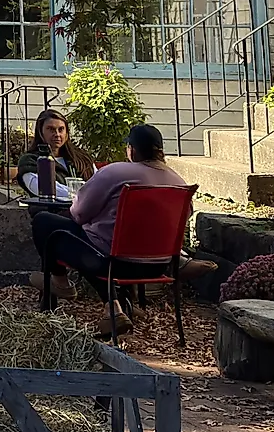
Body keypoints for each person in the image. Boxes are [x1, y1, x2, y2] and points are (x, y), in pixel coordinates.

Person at [28, 121, 191, 330]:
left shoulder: (117, 173)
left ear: (131, 149)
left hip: (112, 262)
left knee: (45, 221)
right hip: (159, 265)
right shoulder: (179, 182)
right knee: (93, 241)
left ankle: (61, 282)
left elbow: (78, 212)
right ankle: (114, 307)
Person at [19, 106, 93, 202]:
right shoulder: (30, 161)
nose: (57, 134)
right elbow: (46, 189)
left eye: (61, 129)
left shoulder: (82, 157)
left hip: (88, 210)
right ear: (40, 132)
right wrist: (84, 196)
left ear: (66, 133)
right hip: (53, 212)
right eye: (51, 129)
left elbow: (99, 182)